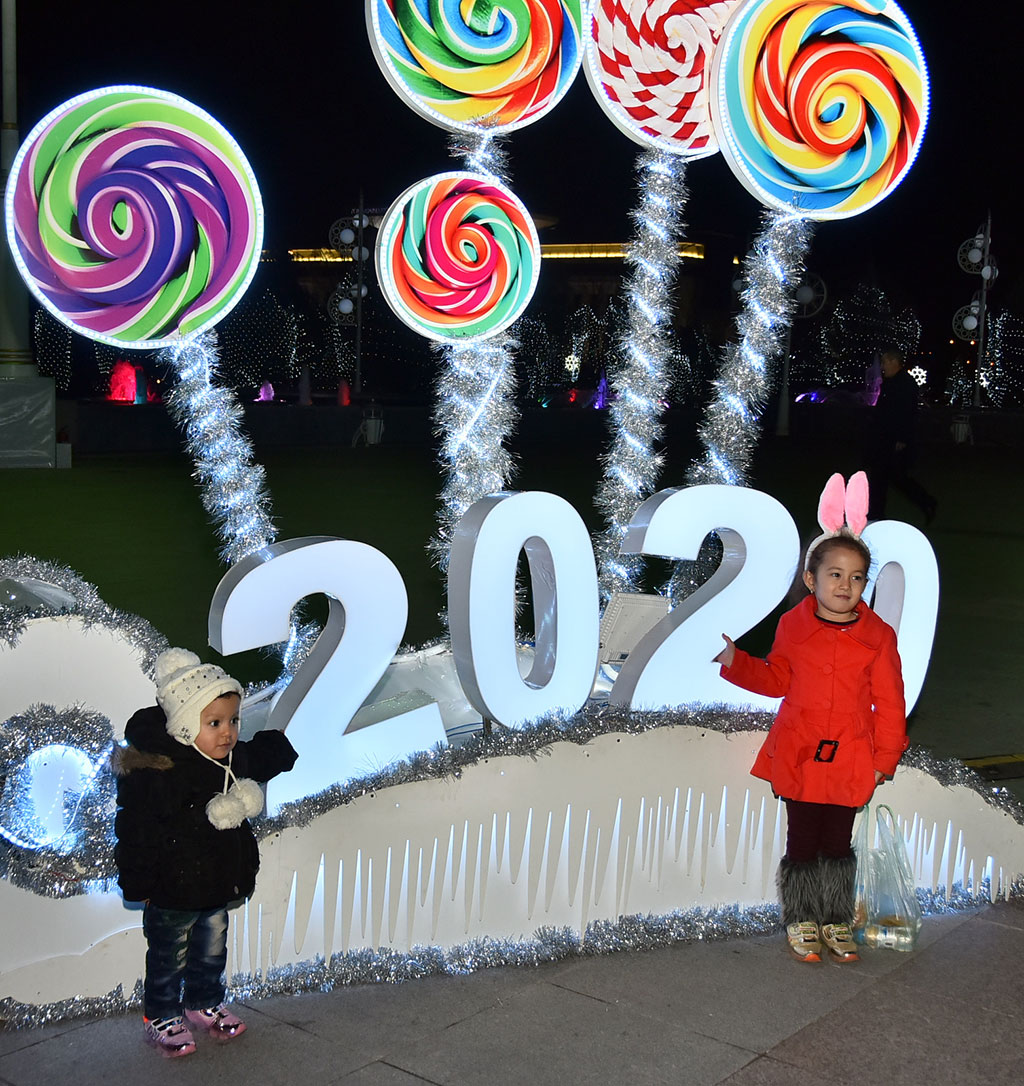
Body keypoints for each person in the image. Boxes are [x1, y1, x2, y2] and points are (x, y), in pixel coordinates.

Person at [714, 473, 907, 964]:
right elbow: (779, 678)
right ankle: (801, 918)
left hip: (851, 755)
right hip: (801, 752)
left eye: (857, 577)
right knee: (801, 839)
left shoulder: (879, 636)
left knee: (837, 843)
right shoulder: (792, 625)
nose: (845, 585)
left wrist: (886, 756)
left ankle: (835, 919)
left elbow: (890, 700)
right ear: (811, 579)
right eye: (835, 574)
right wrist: (737, 663)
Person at [113, 648, 298, 1057]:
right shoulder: (158, 775)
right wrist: (138, 883)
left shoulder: (229, 759)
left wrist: (280, 748)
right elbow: (136, 830)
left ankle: (203, 1002)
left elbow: (257, 756)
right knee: (167, 955)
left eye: (232, 720)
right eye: (213, 723)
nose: (227, 732)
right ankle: (161, 1013)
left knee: (212, 950)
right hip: (171, 889)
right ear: (183, 726)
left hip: (215, 885)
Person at [866, 347, 937, 522]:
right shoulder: (893, 382)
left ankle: (926, 501)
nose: (882, 366)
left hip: (892, 439)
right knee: (883, 477)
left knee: (892, 478)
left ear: (894, 362)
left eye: (884, 362)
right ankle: (876, 515)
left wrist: (901, 438)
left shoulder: (904, 383)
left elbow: (907, 413)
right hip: (885, 437)